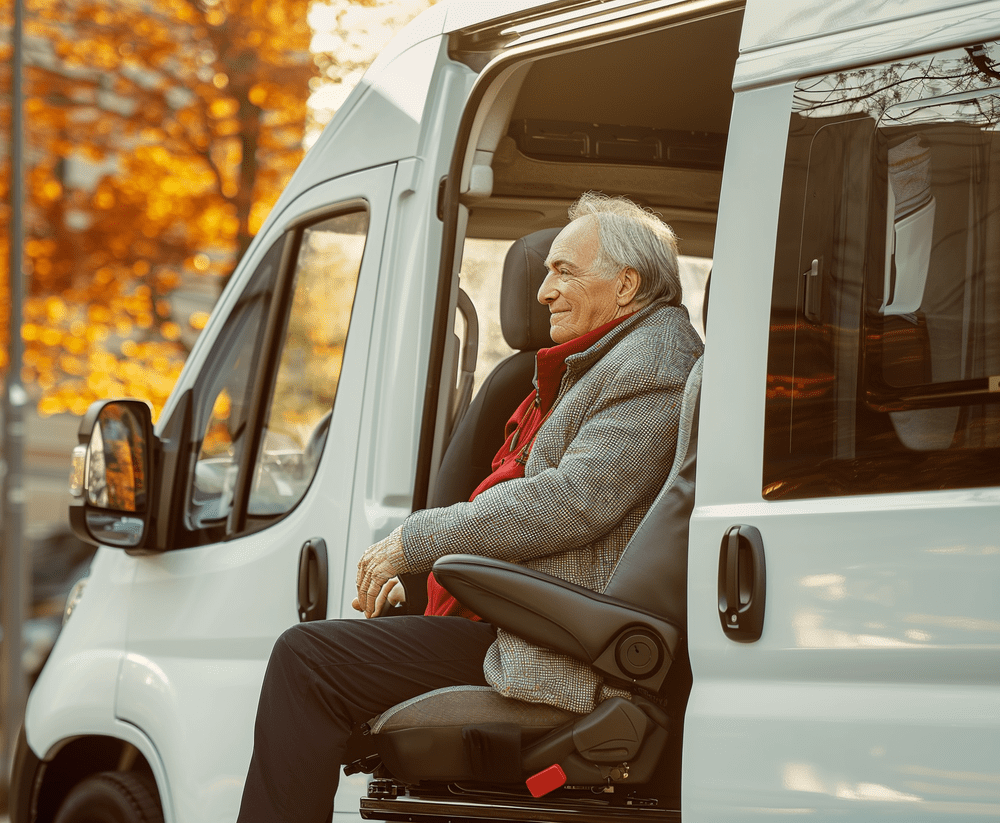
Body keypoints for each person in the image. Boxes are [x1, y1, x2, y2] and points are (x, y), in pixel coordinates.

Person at [234, 192, 703, 823]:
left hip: (556, 648)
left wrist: (415, 542)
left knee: (307, 661)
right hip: (528, 625)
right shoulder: (613, 358)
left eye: (564, 271)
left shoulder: (653, 364)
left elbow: (571, 501)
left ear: (626, 285)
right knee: (323, 662)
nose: (543, 292)